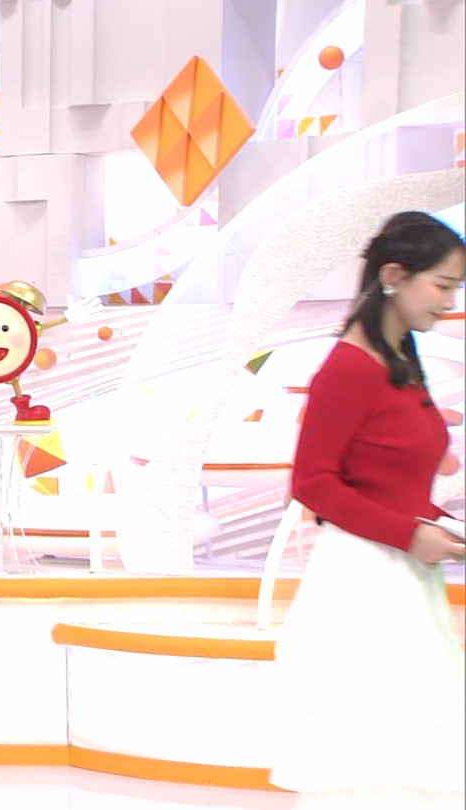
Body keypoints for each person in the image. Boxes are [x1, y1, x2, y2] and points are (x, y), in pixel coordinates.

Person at [270, 211, 465, 809]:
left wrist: (436, 525)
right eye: (443, 285)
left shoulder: (401, 358)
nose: (450, 303)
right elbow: (313, 483)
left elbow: (388, 478)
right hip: (362, 580)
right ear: (394, 276)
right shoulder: (348, 368)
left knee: (413, 746)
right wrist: (411, 534)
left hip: (404, 571)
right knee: (366, 752)